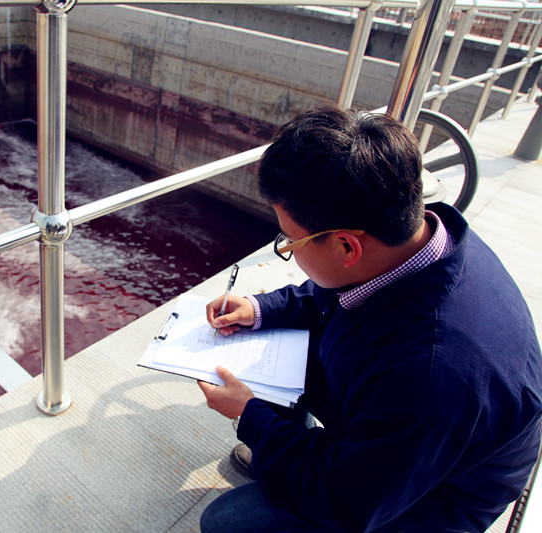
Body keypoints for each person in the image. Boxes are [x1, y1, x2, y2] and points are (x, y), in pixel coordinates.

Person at [197, 103, 542, 533]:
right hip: (404, 437)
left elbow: (347, 500)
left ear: (347, 246)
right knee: (273, 342)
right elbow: (335, 292)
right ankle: (291, 454)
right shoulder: (420, 245)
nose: (287, 248)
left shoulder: (430, 380)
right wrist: (263, 308)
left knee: (227, 522)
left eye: (289, 241)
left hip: (432, 498)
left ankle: (289, 455)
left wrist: (251, 417)